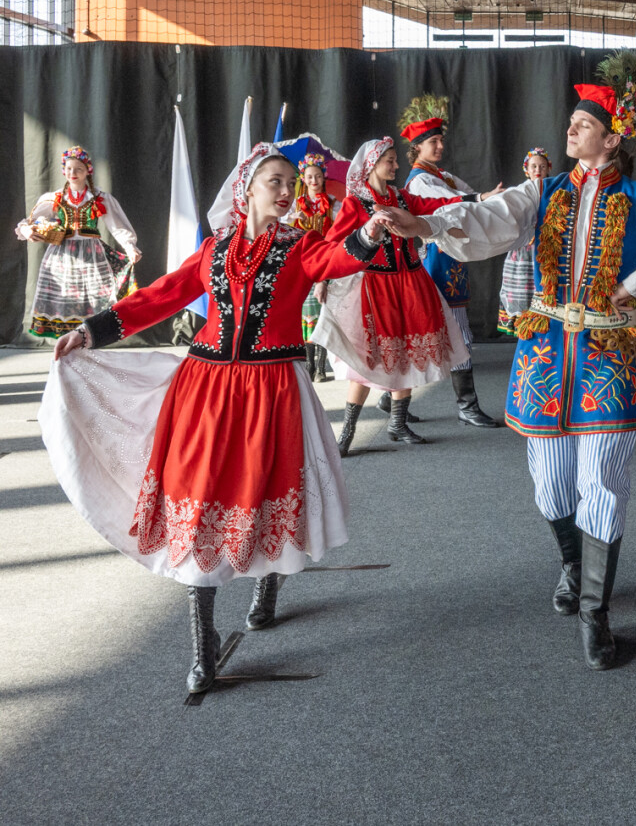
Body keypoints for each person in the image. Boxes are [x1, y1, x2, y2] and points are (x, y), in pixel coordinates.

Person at [40, 144, 397, 692]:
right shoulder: (213, 250)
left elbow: (338, 258)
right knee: (200, 498)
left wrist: (370, 232)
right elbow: (161, 295)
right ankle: (203, 642)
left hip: (272, 390)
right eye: (275, 181)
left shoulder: (300, 247)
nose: (287, 191)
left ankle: (269, 580)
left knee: (267, 489)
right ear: (246, 189)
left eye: (290, 183)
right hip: (204, 390)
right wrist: (91, 331)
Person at [399, 53, 636, 670]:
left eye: (583, 123)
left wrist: (635, 282)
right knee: (550, 485)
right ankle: (572, 563)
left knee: (603, 483)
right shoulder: (540, 192)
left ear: (612, 137)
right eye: (571, 121)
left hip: (608, 357)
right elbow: (486, 219)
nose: (570, 129)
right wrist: (424, 224)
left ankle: (596, 612)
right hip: (544, 354)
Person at [311, 137, 475, 454]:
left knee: (408, 352)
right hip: (376, 287)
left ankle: (398, 423)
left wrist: (477, 198)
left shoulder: (401, 198)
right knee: (367, 358)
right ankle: (347, 431)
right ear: (372, 163)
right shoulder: (355, 204)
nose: (396, 165)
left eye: (395, 160)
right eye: (390, 160)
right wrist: (323, 278)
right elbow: (333, 243)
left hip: (411, 284)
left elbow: (434, 205)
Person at [399, 94, 504, 428]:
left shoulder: (440, 175)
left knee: (430, 331)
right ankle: (466, 406)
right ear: (417, 147)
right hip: (436, 260)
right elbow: (452, 203)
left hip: (448, 258)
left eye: (441, 140)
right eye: (433, 141)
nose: (440, 146)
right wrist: (481, 199)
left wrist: (490, 202)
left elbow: (466, 196)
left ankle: (391, 399)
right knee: (456, 333)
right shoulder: (420, 180)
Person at [15, 147, 141, 338]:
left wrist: (130, 246)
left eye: (78, 169)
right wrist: (27, 230)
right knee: (63, 295)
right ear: (63, 170)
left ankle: (90, 338)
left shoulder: (99, 197)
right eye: (69, 169)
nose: (72, 173)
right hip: (61, 255)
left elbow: (117, 225)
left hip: (91, 254)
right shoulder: (55, 198)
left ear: (87, 171)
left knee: (95, 295)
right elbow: (30, 221)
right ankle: (67, 341)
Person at [287, 153, 335, 381]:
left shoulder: (333, 203)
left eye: (317, 176)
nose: (314, 181)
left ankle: (321, 367)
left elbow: (339, 231)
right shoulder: (295, 204)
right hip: (303, 262)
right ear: (303, 179)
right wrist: (292, 219)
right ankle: (309, 364)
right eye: (309, 177)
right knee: (306, 313)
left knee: (325, 311)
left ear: (323, 177)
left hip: (325, 260)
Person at [499, 148, 554, 337]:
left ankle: (543, 329)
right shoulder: (519, 192)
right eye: (534, 166)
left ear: (548, 168)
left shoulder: (554, 191)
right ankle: (523, 329)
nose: (538, 170)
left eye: (542, 166)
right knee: (522, 286)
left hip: (546, 247)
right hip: (522, 249)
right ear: (527, 169)